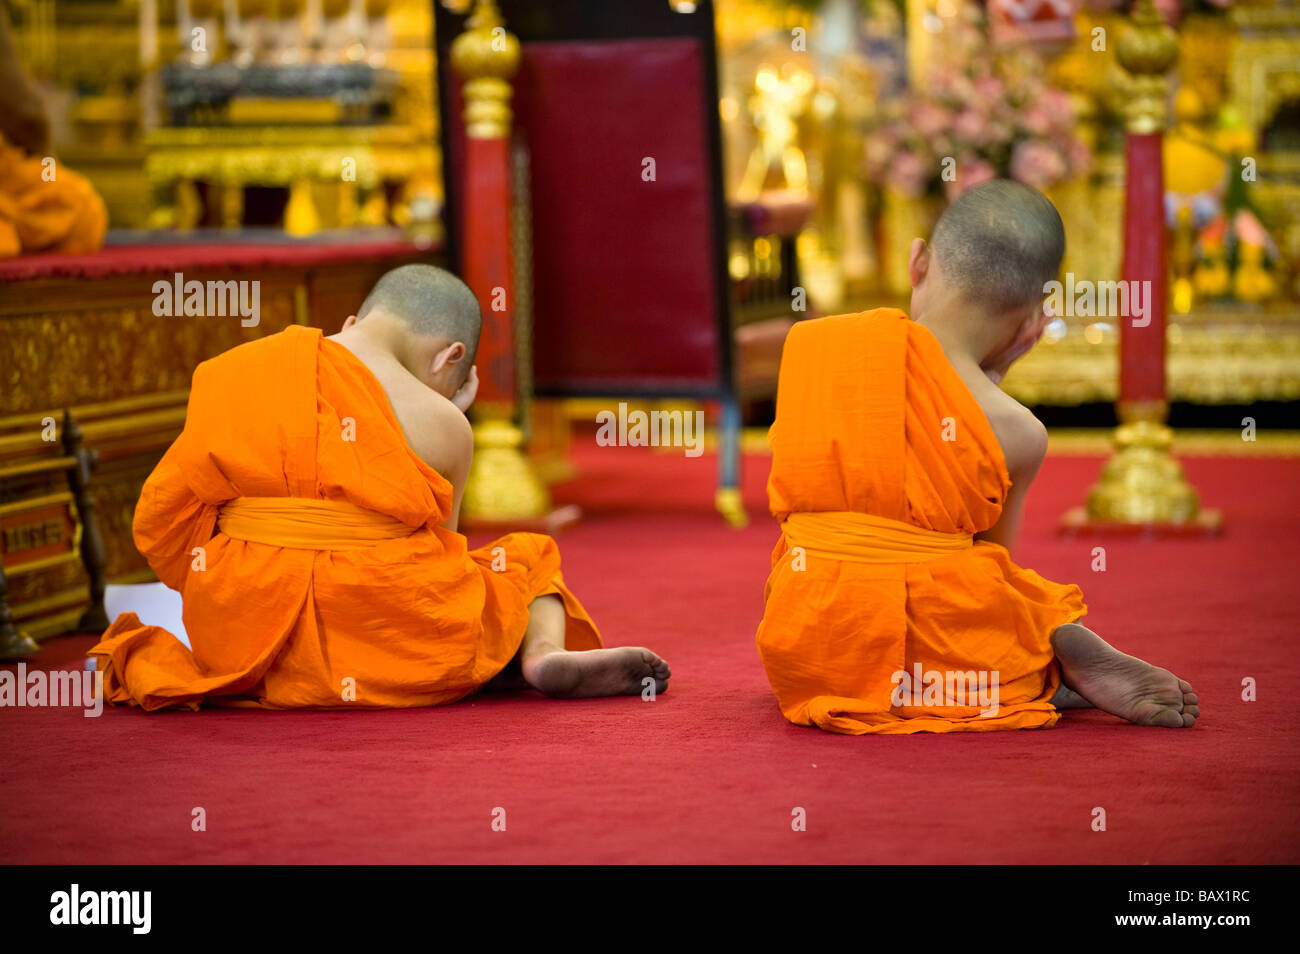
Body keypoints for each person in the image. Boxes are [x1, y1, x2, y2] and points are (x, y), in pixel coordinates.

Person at [90, 264, 670, 709]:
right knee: (527, 559)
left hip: (246, 635)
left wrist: (231, 574)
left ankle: (267, 643)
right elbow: (442, 549)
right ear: (452, 358)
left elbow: (161, 521)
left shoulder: (238, 371)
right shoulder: (445, 425)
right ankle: (542, 655)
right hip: (395, 640)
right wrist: (450, 415)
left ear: (352, 324)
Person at [754, 180, 1198, 734]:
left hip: (809, 635)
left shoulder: (818, 347)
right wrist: (988, 384)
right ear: (1038, 311)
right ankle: (1046, 660)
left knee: (821, 568)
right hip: (943, 648)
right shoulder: (1018, 430)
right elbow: (986, 562)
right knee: (1006, 595)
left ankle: (1043, 663)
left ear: (918, 261)